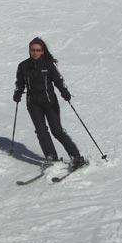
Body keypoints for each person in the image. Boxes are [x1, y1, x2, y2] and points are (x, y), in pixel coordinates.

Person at [13, 37, 85, 169]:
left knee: (57, 131)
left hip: (50, 103)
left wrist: (64, 92)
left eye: (38, 50)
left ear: (42, 51)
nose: (35, 53)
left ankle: (76, 156)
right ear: (29, 51)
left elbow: (58, 80)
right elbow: (20, 82)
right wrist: (17, 93)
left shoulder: (48, 65)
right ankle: (51, 157)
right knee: (41, 131)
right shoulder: (23, 66)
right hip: (33, 104)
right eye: (33, 50)